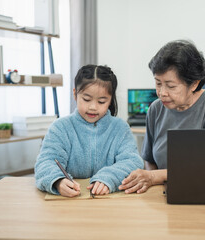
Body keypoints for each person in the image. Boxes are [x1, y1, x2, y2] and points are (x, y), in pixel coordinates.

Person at [119, 39, 205, 194]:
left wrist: (154, 177)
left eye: (171, 86)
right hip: (165, 194)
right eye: (158, 83)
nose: (162, 93)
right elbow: (149, 160)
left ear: (194, 84)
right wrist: (152, 183)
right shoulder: (155, 109)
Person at [35, 64, 144, 197]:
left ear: (110, 100)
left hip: (109, 202)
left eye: (102, 101)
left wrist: (109, 177)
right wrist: (58, 181)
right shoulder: (60, 127)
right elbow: (46, 162)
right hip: (69, 203)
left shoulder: (120, 128)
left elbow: (132, 162)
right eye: (86, 99)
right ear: (75, 94)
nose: (93, 107)